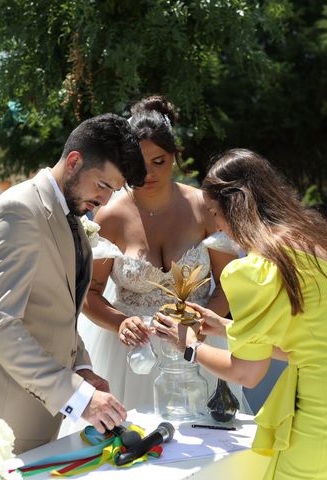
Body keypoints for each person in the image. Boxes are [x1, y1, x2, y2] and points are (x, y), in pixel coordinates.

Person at [154, 149, 327, 479]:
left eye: (215, 213)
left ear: (235, 207)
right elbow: (312, 343)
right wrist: (225, 328)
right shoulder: (323, 238)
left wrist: (189, 346)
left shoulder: (254, 268)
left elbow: (247, 373)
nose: (215, 225)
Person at [0, 113, 146, 454]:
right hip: (7, 413)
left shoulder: (71, 213)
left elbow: (55, 311)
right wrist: (78, 397)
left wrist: (84, 369)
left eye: (113, 191)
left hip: (44, 406)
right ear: (74, 161)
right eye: (103, 186)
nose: (105, 201)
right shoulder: (19, 211)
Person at [79, 96, 237, 410]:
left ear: (174, 157)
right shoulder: (109, 216)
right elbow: (90, 295)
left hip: (200, 344)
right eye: (138, 163)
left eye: (158, 161)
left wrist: (197, 328)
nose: (147, 173)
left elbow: (228, 285)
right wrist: (122, 323)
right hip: (132, 356)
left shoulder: (204, 208)